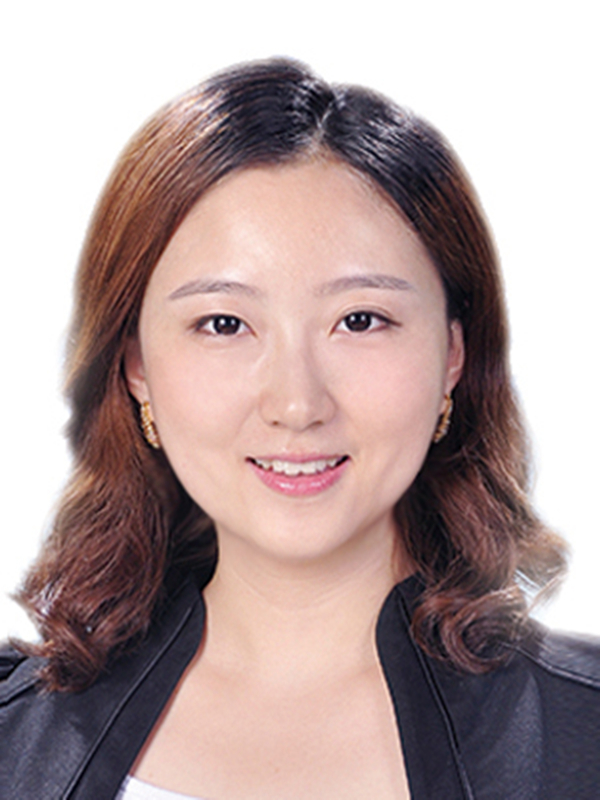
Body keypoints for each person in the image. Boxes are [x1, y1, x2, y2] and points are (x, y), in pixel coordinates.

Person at [0, 57, 598, 800]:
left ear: (453, 354)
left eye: (360, 320)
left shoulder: (581, 734)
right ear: (136, 367)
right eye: (224, 324)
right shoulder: (14, 739)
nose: (296, 403)